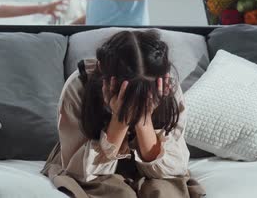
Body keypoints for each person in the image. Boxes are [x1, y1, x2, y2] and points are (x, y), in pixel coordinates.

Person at [42, 30, 205, 197]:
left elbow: (173, 167)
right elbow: (80, 169)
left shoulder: (165, 86)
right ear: (101, 70)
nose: (135, 100)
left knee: (164, 192)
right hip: (89, 159)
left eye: (143, 93)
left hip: (151, 155)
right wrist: (121, 118)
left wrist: (143, 119)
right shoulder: (78, 86)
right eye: (128, 92)